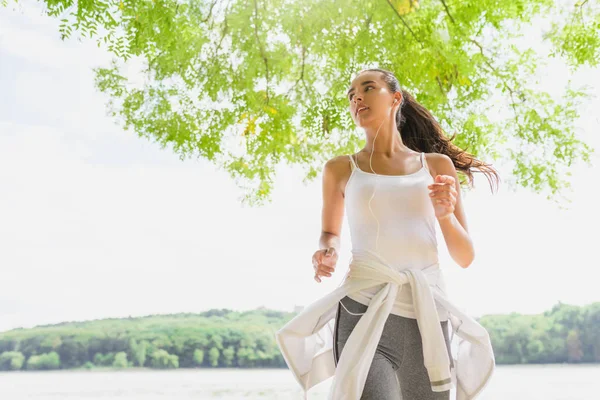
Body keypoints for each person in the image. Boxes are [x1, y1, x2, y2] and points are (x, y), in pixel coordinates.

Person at [275, 68, 500, 400]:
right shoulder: (339, 168)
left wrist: (446, 215)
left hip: (426, 314)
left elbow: (465, 256)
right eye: (351, 95)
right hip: (362, 308)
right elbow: (328, 232)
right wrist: (327, 250)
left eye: (368, 88)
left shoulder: (436, 166)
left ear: (395, 99)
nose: (357, 98)